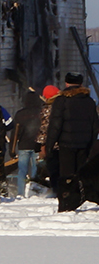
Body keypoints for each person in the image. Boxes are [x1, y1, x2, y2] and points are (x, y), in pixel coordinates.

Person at [45, 73, 98, 212]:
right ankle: (80, 198)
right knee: (80, 177)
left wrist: (49, 145)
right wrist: (91, 144)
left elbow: (55, 125)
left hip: (66, 145)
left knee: (66, 177)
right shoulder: (89, 101)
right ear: (81, 84)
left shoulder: (61, 101)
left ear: (66, 83)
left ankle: (66, 205)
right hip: (84, 145)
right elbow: (95, 126)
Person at [10, 87, 45, 198]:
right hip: (37, 146)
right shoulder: (41, 113)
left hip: (23, 146)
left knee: (22, 171)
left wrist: (12, 149)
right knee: (36, 171)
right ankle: (34, 193)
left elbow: (15, 133)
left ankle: (21, 193)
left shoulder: (20, 114)